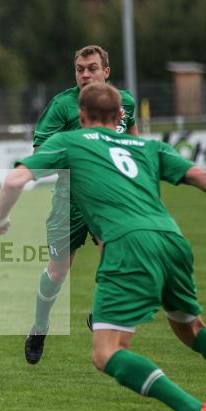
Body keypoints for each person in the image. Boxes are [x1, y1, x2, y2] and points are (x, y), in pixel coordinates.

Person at [0, 83, 206, 411]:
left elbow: (14, 180)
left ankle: (191, 409)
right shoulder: (148, 147)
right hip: (172, 240)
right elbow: (203, 176)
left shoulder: (72, 142)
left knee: (106, 353)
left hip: (128, 246)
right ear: (121, 117)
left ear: (83, 118)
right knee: (192, 330)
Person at [22, 44, 138, 365]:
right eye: (80, 69)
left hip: (109, 199)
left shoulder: (124, 102)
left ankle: (100, 313)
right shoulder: (62, 106)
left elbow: (133, 140)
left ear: (106, 72)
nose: (85, 74)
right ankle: (40, 326)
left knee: (119, 255)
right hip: (69, 200)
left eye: (92, 68)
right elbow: (40, 151)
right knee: (59, 272)